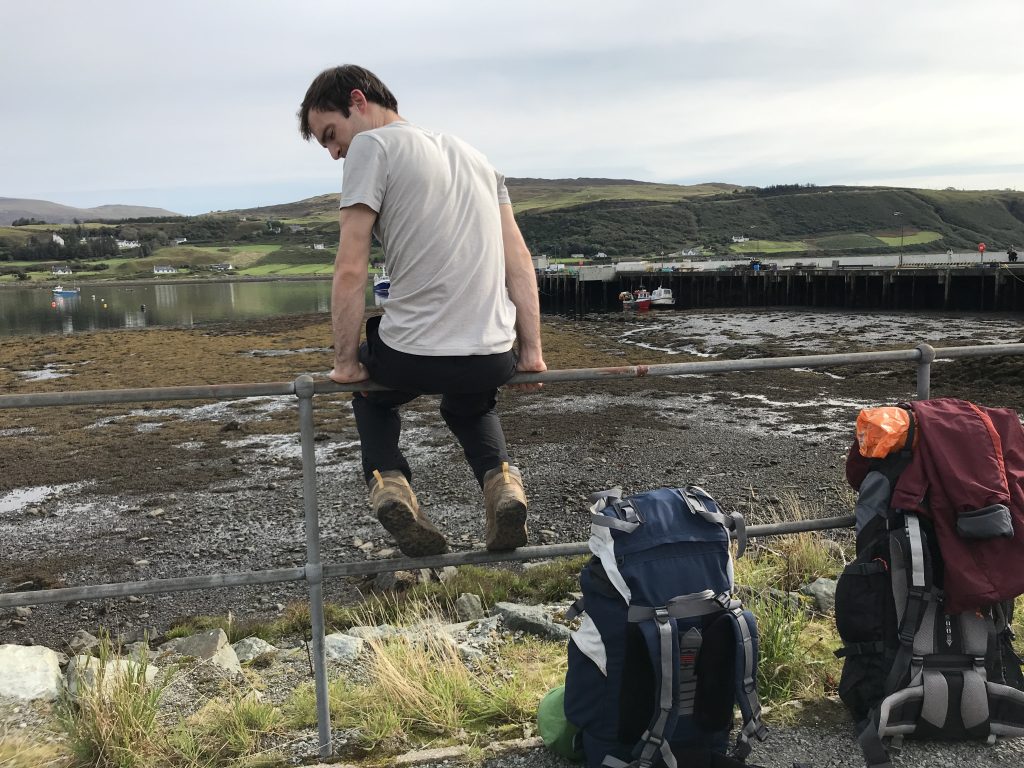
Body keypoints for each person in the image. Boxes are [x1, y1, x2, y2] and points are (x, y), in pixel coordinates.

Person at [298, 65, 547, 557]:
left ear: (358, 100)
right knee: (468, 402)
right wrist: (532, 351)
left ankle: (391, 486)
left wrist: (347, 363)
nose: (333, 152)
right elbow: (519, 261)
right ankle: (502, 485)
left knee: (371, 396)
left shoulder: (372, 147)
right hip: (492, 352)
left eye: (331, 133)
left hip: (412, 355)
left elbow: (350, 267)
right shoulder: (477, 158)